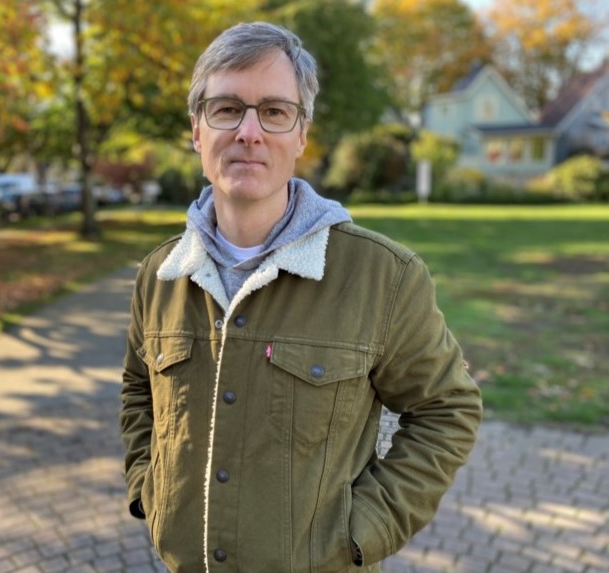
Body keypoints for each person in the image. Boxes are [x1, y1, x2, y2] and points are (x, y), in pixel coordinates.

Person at [120, 21, 482, 573]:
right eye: (225, 109)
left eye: (274, 111)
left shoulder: (384, 277)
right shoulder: (159, 275)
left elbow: (446, 409)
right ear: (197, 130)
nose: (248, 131)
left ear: (301, 134)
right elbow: (138, 389)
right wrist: (151, 490)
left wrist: (364, 531)